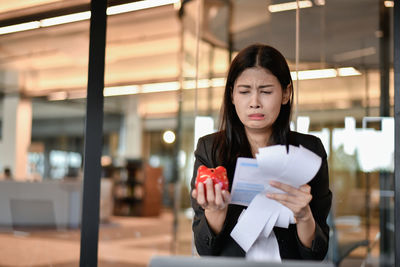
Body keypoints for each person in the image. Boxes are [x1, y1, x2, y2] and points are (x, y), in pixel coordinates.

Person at [190, 44, 332, 260]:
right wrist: (215, 213)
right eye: (244, 91)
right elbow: (205, 250)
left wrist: (304, 217)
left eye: (266, 91)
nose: (254, 103)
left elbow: (317, 254)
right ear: (231, 95)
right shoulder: (211, 150)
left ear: (286, 94)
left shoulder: (309, 153)